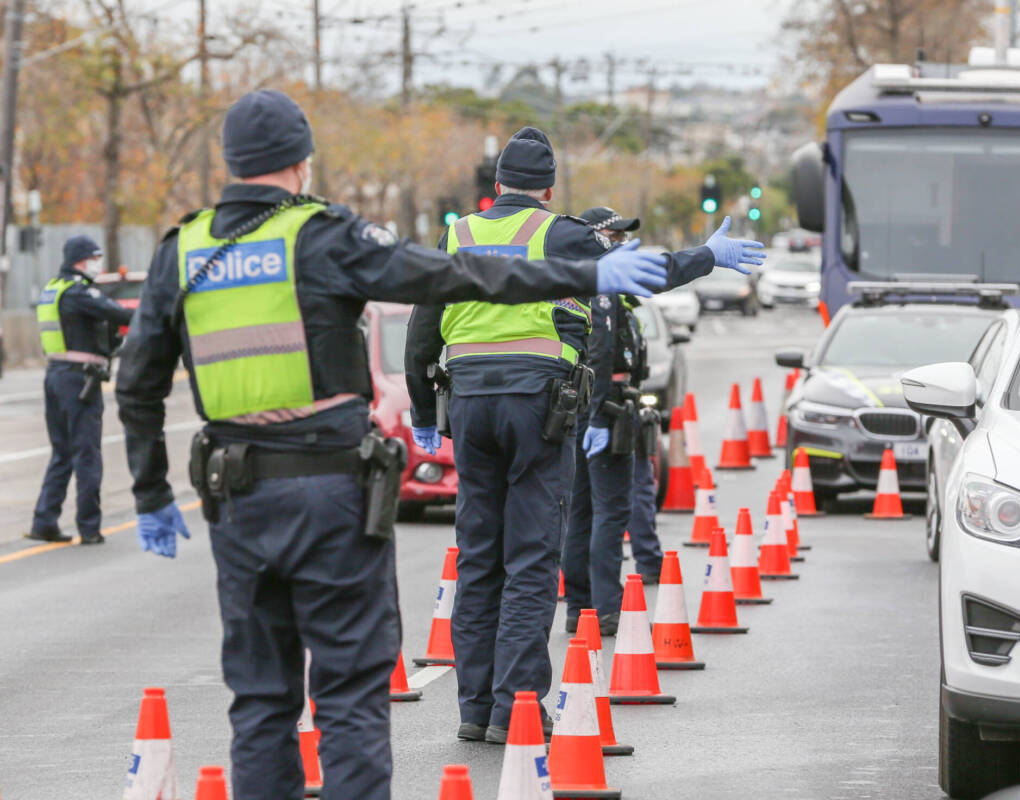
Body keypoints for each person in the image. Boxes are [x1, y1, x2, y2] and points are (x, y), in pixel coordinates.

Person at [115, 90, 669, 800]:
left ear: (229, 161)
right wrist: (585, 271)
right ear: (300, 159)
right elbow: (455, 278)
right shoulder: (323, 234)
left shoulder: (182, 248)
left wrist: (152, 493)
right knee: (349, 692)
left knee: (259, 698)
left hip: (237, 497)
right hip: (330, 495)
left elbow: (138, 385)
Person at [405, 127, 764, 744]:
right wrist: (709, 256)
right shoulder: (561, 233)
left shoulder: (459, 233)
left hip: (467, 404)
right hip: (535, 406)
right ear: (548, 188)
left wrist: (421, 410)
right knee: (531, 557)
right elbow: (646, 273)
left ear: (496, 187)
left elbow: (423, 324)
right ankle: (514, 708)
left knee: (479, 552)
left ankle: (473, 708)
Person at [563, 207, 663, 638]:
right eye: (612, 235)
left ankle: (580, 606)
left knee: (582, 510)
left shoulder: (593, 285)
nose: (620, 242)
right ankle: (604, 607)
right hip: (604, 406)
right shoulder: (601, 291)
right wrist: (601, 413)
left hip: (593, 404)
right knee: (609, 511)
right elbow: (601, 355)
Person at [29, 236, 132, 544]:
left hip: (56, 376)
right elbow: (118, 313)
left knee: (62, 452)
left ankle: (44, 521)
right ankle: (89, 527)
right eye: (95, 257)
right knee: (87, 452)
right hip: (79, 380)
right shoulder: (78, 292)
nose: (98, 262)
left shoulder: (53, 289)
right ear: (80, 260)